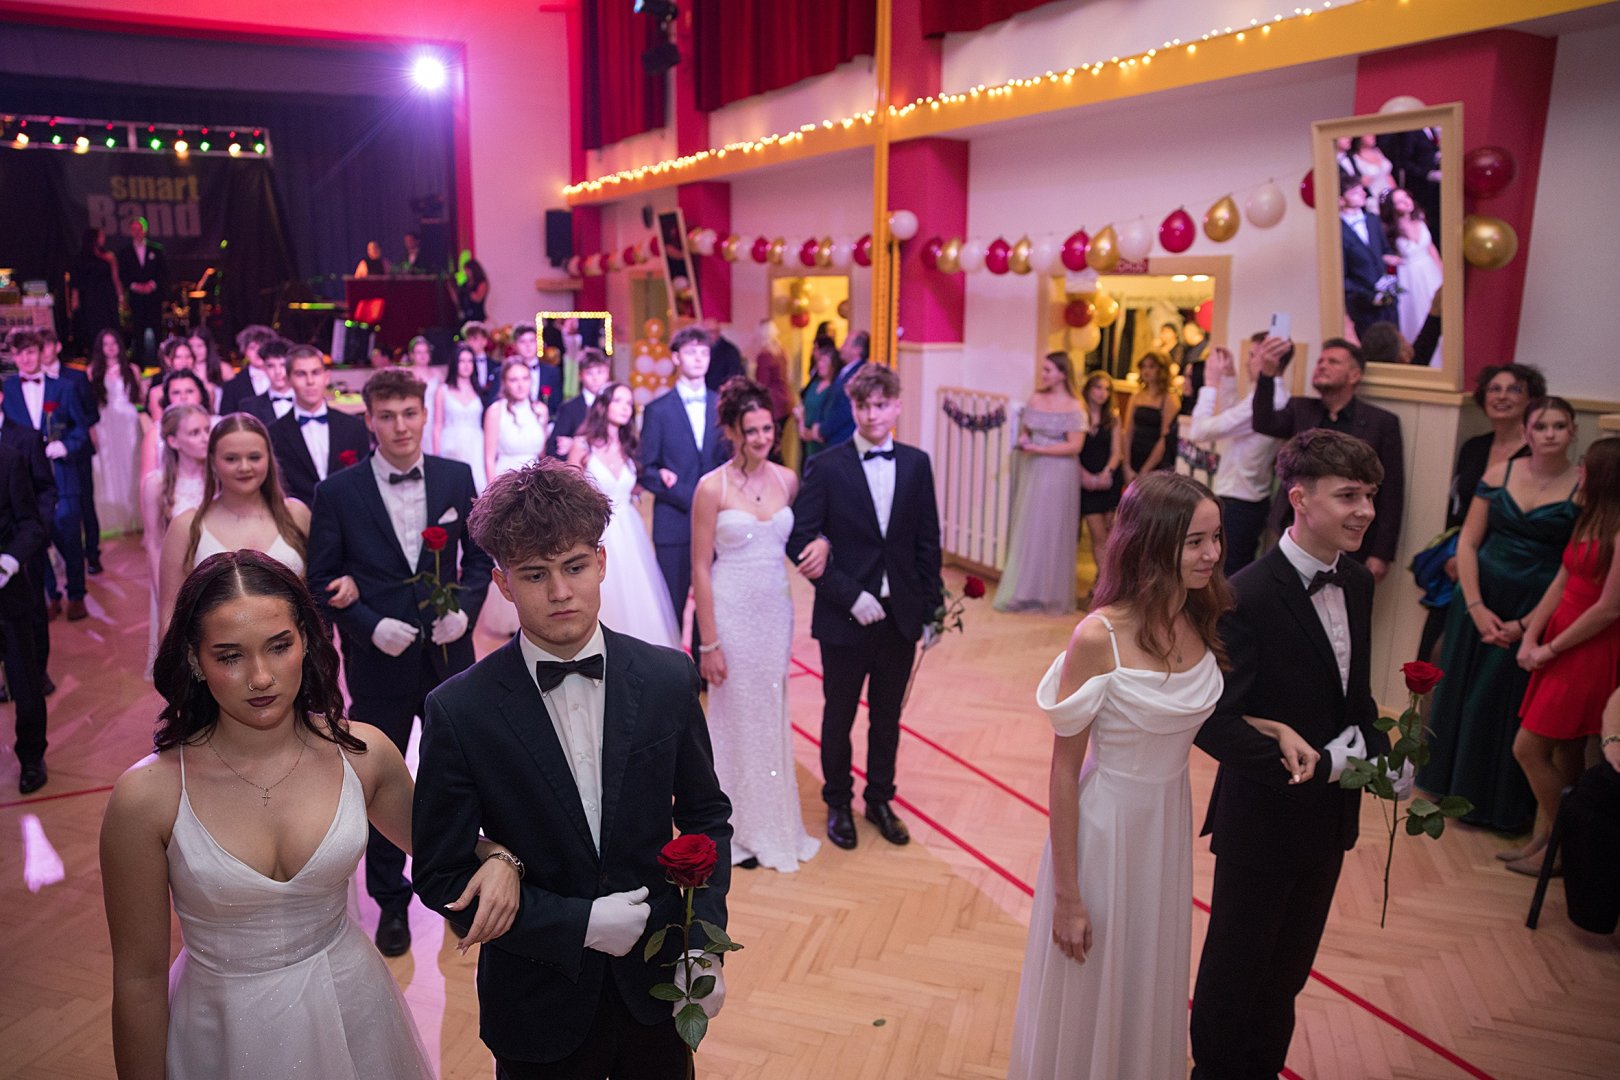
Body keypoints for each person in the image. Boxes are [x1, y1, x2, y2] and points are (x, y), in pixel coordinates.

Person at [99, 550, 519, 1079]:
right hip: (219, 1033)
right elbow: (138, 979)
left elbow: (447, 849)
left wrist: (502, 859)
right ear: (194, 660)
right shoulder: (147, 797)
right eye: (230, 656)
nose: (261, 677)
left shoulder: (363, 755)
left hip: (353, 1010)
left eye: (279, 647)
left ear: (306, 640)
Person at [412, 458, 732, 1076]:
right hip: (537, 1005)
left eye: (575, 566)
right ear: (503, 584)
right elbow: (441, 874)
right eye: (536, 574)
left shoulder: (668, 678)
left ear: (602, 562)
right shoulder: (460, 711)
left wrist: (703, 943)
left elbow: (706, 817)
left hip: (658, 990)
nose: (560, 592)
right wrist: (574, 923)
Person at [1010, 473, 1245, 1079]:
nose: (1213, 554)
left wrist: (1272, 730)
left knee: (1145, 974)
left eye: (1216, 537)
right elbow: (1064, 771)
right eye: (1195, 542)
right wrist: (1067, 896)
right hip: (1105, 834)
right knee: (1095, 980)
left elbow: (1190, 718)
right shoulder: (1098, 636)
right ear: (1153, 543)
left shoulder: (1201, 614)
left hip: (1166, 828)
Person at [1190, 429, 1395, 1080]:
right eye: (1348, 496)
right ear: (1300, 499)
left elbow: (1353, 695)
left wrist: (1383, 752)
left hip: (1328, 822)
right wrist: (1323, 765)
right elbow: (1213, 723)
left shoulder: (1356, 582)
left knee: (1286, 978)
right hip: (1262, 821)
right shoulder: (1243, 595)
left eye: (1370, 496)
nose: (1365, 511)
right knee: (1234, 976)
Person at [306, 368, 492, 957]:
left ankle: (459, 890)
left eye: (409, 413)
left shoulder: (456, 476)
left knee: (457, 778)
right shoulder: (337, 492)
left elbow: (480, 559)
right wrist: (367, 626)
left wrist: (464, 610)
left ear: (425, 414)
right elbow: (319, 581)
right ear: (369, 420)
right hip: (378, 664)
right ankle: (390, 900)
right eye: (386, 416)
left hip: (449, 658)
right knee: (381, 781)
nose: (400, 426)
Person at [787, 363, 943, 850]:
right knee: (839, 714)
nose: (872, 414)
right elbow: (798, 540)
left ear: (897, 406)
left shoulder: (916, 464)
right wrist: (850, 594)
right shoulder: (827, 465)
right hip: (844, 615)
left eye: (881, 405)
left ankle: (879, 798)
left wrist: (932, 608)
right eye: (863, 405)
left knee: (887, 715)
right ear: (852, 408)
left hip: (899, 615)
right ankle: (838, 800)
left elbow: (927, 541)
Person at [1418, 397, 1581, 833]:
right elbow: (1469, 542)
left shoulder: (1582, 487)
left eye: (1559, 426)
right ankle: (1444, 786)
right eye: (1541, 426)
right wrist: (1474, 607)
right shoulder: (1499, 474)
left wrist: (1527, 624)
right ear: (1527, 432)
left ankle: (1495, 804)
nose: (1549, 433)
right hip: (1478, 598)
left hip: (1536, 605)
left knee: (1499, 701)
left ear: (1573, 432)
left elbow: (1571, 567)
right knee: (1460, 692)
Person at [692, 377, 820, 872]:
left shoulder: (788, 480)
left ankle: (775, 823)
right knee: (734, 716)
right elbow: (700, 567)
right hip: (731, 611)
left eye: (768, 428)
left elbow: (806, 536)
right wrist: (709, 642)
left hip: (776, 614)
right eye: (752, 430)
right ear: (732, 431)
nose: (763, 438)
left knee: (770, 712)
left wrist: (824, 544)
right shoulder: (712, 487)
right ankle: (737, 828)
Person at [1511, 437, 1620, 873]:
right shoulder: (1588, 518)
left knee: (1528, 748)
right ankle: (1545, 842)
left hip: (1588, 649)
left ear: (1603, 476)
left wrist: (1551, 648)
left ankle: (1567, 842)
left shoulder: (1619, 531)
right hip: (1560, 640)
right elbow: (1560, 582)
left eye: (1585, 467)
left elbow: (1609, 608)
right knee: (1566, 750)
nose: (1578, 472)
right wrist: (1530, 637)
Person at [1415, 362, 1543, 663]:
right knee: (1430, 656)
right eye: (1494, 389)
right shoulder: (1474, 447)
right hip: (1457, 565)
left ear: (1531, 400)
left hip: (1506, 570)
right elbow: (1456, 510)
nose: (1502, 396)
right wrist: (1451, 555)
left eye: (1514, 389)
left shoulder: (1537, 455)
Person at [1252, 336, 1405, 581]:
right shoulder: (1300, 408)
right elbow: (1263, 422)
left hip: (1349, 536)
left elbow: (1391, 492)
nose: (1322, 366)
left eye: (1333, 362)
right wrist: (1267, 375)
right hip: (1292, 528)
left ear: (1354, 375)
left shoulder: (1381, 422)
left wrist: (1381, 553)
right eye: (1320, 361)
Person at [157, 414, 313, 641]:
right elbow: (169, 616)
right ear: (213, 461)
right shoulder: (187, 526)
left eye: (254, 457)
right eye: (231, 459)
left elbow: (320, 595)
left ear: (269, 458)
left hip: (291, 651)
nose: (244, 467)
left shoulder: (297, 515)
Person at [638, 326, 731, 655]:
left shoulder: (722, 406)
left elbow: (730, 461)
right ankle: (671, 669)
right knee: (672, 605)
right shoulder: (658, 410)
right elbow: (646, 470)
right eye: (691, 352)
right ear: (676, 358)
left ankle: (704, 668)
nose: (699, 358)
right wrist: (687, 495)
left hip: (717, 524)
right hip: (674, 523)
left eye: (704, 353)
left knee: (712, 603)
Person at [568, 382, 681, 650]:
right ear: (603, 405)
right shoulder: (583, 445)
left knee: (637, 593)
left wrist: (661, 474)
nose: (625, 408)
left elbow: (634, 483)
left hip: (630, 529)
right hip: (596, 528)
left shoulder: (631, 446)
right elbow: (569, 493)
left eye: (629, 403)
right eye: (618, 401)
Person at [1, 330, 94, 622]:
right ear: (13, 356)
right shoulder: (7, 389)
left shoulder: (64, 387)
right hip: (24, 480)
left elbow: (81, 429)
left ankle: (76, 595)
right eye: (19, 353)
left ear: (41, 352)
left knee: (69, 538)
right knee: (35, 541)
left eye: (31, 352)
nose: (25, 358)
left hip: (62, 475)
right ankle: (50, 595)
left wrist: (65, 446)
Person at [1189, 335, 1293, 575]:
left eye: (1253, 355)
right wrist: (1228, 377)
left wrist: (1209, 385)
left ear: (1272, 359)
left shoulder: (1270, 399)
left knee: (1226, 577)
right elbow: (1233, 423)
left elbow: (1198, 431)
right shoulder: (1271, 396)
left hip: (1240, 503)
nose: (1248, 362)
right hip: (1246, 499)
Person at [995, 352, 1086, 614]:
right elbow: (1026, 430)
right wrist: (1025, 440)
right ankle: (1025, 591)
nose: (1043, 375)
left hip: (1059, 472)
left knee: (1053, 529)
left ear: (1062, 374)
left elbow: (1074, 445)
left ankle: (1050, 594)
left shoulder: (1074, 405)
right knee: (1030, 526)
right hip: (1033, 469)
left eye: (1048, 370)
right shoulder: (1036, 398)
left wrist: (1040, 448)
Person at [141, 404, 211, 678]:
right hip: (179, 576)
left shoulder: (218, 476)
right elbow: (154, 542)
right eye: (194, 433)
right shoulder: (156, 483)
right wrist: (164, 596)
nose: (205, 438)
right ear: (173, 441)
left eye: (207, 430)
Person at [0, 436, 50, 793]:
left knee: (24, 683)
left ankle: (31, 758)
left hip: (7, 593)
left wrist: (8, 561)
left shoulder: (10, 459)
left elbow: (31, 525)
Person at [87, 327, 145, 537]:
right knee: (109, 465)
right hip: (105, 421)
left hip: (128, 422)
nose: (110, 348)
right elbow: (90, 401)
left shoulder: (132, 369)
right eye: (106, 344)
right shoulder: (93, 370)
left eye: (113, 343)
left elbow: (140, 398)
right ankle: (116, 517)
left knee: (131, 464)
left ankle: (137, 516)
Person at [1338, 175, 1400, 341]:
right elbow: (1340, 275)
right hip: (1363, 304)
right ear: (1341, 200)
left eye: (1361, 189)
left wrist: (1390, 260)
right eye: (1354, 192)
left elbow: (1385, 249)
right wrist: (1368, 294)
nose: (1362, 193)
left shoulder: (1372, 220)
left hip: (1388, 297)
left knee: (1395, 342)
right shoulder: (1337, 230)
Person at [1381, 187, 1443, 345]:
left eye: (1406, 198)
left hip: (1430, 270)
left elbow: (1430, 248)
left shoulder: (1419, 218)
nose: (1406, 203)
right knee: (1417, 313)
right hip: (1409, 276)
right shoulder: (1389, 230)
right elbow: (1382, 254)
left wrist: (1442, 271)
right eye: (1399, 202)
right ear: (1392, 208)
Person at [1077, 370, 1125, 564]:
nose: (1102, 393)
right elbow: (1074, 452)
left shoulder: (1113, 418)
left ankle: (1104, 576)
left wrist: (1107, 473)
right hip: (1086, 480)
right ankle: (1104, 580)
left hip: (1109, 479)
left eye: (1107, 389)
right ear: (1088, 389)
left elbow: (1116, 451)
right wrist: (1085, 476)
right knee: (1098, 535)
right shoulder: (1079, 416)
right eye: (1098, 387)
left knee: (1111, 534)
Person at [433, 343, 489, 492]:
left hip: (476, 444)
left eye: (470, 361)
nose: (466, 365)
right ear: (455, 363)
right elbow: (437, 426)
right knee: (452, 488)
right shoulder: (443, 390)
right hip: (450, 443)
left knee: (478, 487)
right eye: (462, 361)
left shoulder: (479, 391)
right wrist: (437, 456)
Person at [139, 369, 212, 479]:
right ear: (167, 398)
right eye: (176, 393)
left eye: (190, 391)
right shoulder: (155, 434)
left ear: (201, 394)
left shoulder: (217, 425)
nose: (183, 397)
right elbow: (146, 479)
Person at [1122, 350, 1180, 484]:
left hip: (1155, 459)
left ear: (1161, 370)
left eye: (1151, 366)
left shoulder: (1169, 399)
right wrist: (1126, 465)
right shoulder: (1136, 396)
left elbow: (1165, 438)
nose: (1146, 371)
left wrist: (1146, 469)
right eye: (1144, 366)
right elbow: (1128, 432)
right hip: (1134, 453)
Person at [116, 216, 168, 363]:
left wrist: (152, 284)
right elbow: (122, 274)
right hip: (136, 298)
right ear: (130, 231)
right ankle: (139, 362)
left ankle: (160, 361)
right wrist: (134, 285)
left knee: (157, 329)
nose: (137, 232)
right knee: (138, 329)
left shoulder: (157, 250)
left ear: (145, 230)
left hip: (153, 297)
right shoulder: (125, 253)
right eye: (134, 229)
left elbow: (163, 272)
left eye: (139, 229)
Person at [548, 347, 610, 459]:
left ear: (607, 373)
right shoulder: (569, 408)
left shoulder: (613, 404)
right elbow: (554, 448)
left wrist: (576, 444)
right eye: (589, 373)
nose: (595, 378)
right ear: (580, 375)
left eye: (600, 372)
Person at [70, 227, 122, 355]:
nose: (103, 239)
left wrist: (120, 295)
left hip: (107, 296)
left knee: (109, 324)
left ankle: (112, 351)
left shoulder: (108, 256)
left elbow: (115, 277)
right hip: (90, 297)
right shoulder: (81, 257)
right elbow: (76, 280)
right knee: (93, 326)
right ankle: (94, 353)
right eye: (100, 236)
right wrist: (75, 299)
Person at [813, 331, 869, 450]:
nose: (841, 347)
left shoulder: (860, 373)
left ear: (857, 350)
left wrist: (823, 430)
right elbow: (828, 398)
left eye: (846, 343)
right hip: (831, 440)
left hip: (843, 440)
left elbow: (845, 409)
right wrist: (817, 423)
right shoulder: (843, 370)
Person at [795, 336, 843, 463]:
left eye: (825, 361)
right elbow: (803, 406)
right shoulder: (814, 384)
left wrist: (811, 433)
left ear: (833, 364)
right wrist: (801, 422)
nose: (820, 365)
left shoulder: (835, 389)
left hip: (823, 442)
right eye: (819, 361)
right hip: (806, 440)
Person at [145, 337, 216, 421]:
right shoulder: (156, 393)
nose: (184, 361)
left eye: (188, 356)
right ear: (167, 360)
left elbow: (210, 418)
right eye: (178, 357)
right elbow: (158, 423)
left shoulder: (208, 389)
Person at [218, 325, 275, 415]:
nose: (258, 352)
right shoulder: (232, 386)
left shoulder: (284, 379)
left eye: (262, 346)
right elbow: (227, 418)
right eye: (252, 348)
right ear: (244, 351)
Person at [240, 337, 296, 426]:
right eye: (271, 366)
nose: (278, 372)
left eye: (283, 365)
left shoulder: (308, 402)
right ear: (264, 368)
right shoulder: (249, 407)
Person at [400, 335, 442, 441]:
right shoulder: (407, 374)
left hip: (435, 417)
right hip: (414, 416)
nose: (423, 356)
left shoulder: (438, 373)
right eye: (419, 352)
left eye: (425, 352)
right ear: (412, 355)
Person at [512, 323, 564, 407]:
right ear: (515, 345)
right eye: (522, 341)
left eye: (532, 341)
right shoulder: (506, 372)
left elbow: (557, 404)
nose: (528, 345)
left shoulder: (552, 372)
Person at [456, 252, 489, 324]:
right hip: (465, 316)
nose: (466, 273)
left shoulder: (481, 283)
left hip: (477, 316)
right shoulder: (465, 284)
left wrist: (467, 292)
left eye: (467, 271)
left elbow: (478, 298)